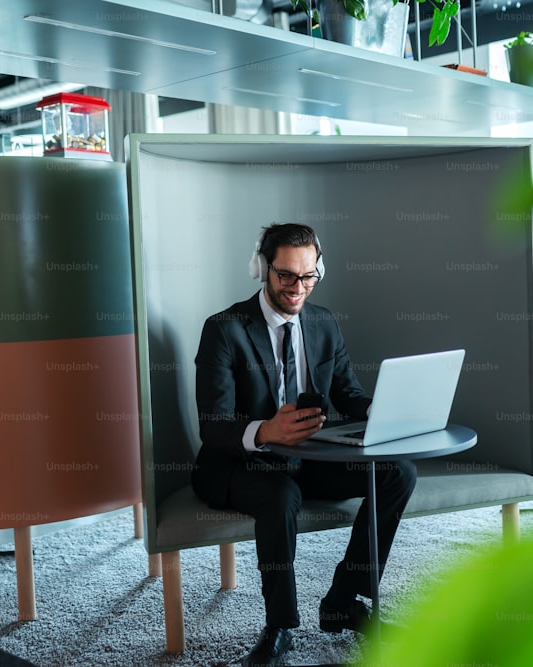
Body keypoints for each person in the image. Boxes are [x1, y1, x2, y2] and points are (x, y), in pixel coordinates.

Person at [191, 223, 417, 667]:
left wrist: (381, 410)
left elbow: (348, 395)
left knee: (398, 472)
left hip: (308, 455)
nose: (298, 288)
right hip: (239, 460)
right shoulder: (224, 329)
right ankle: (280, 627)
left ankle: (343, 600)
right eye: (286, 276)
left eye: (309, 276)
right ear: (262, 269)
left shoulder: (324, 322)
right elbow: (213, 424)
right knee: (281, 495)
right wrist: (265, 431)